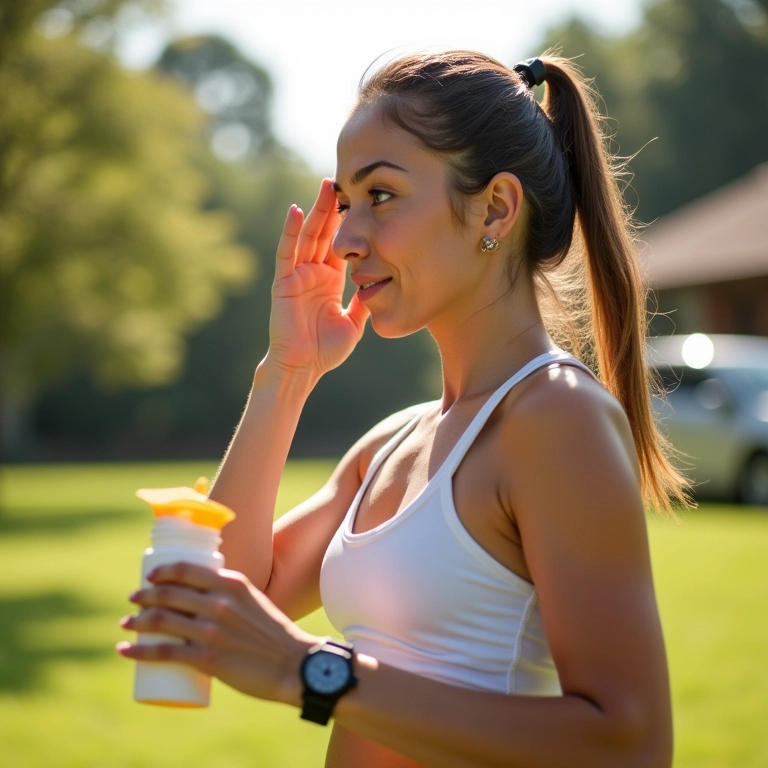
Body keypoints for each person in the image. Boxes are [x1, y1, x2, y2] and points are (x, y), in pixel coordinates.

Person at [118, 50, 689, 767]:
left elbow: (628, 744)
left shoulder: (555, 418)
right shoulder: (392, 443)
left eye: (380, 196)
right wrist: (287, 371)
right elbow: (233, 593)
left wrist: (308, 670)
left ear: (495, 208)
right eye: (346, 205)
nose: (349, 241)